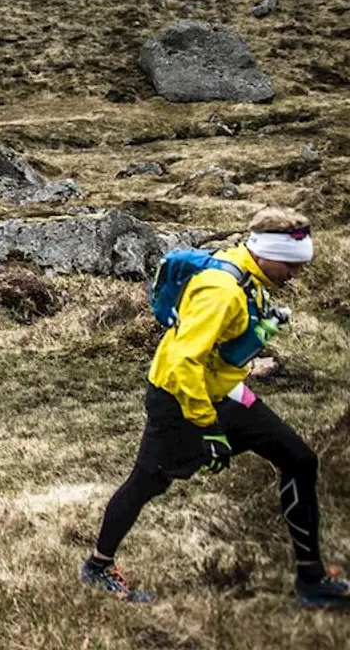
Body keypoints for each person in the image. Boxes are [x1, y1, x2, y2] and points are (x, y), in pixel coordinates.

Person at [81, 207, 347, 608]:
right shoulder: (221, 291)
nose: (296, 274)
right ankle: (98, 566)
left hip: (224, 390)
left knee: (299, 459)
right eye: (291, 264)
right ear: (265, 253)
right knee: (148, 481)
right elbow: (184, 361)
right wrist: (208, 427)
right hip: (179, 399)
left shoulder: (247, 271)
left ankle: (310, 579)